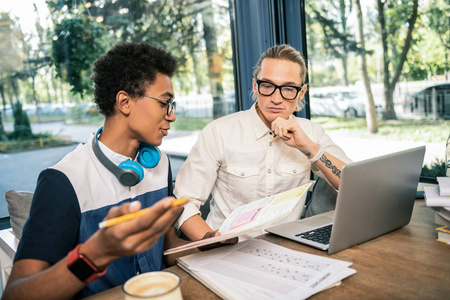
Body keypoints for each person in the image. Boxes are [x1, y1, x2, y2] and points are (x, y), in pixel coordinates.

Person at [2, 42, 216, 300]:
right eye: (165, 103)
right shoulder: (62, 181)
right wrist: (95, 255)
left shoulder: (159, 163)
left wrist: (207, 246)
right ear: (125, 102)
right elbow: (16, 294)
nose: (171, 116)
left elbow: (167, 244)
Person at [174, 44, 352, 241]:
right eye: (267, 86)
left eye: (288, 88)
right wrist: (208, 242)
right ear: (254, 86)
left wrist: (309, 148)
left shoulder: (312, 133)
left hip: (288, 248)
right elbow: (183, 202)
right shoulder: (219, 132)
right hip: (227, 250)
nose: (276, 98)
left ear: (301, 93)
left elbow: (353, 185)